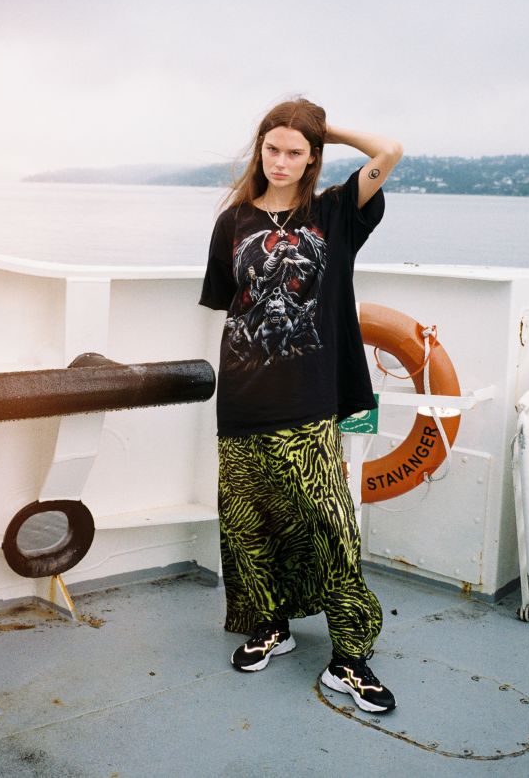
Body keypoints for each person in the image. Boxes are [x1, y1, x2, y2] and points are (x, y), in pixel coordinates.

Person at [199, 98, 403, 714]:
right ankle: (271, 626)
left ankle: (350, 657)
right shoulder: (232, 222)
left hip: (310, 397)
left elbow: (389, 151)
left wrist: (322, 127)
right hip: (242, 398)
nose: (281, 161)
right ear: (259, 150)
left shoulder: (337, 211)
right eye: (272, 148)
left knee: (331, 526)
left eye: (295, 151)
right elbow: (230, 301)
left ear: (313, 157)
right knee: (248, 523)